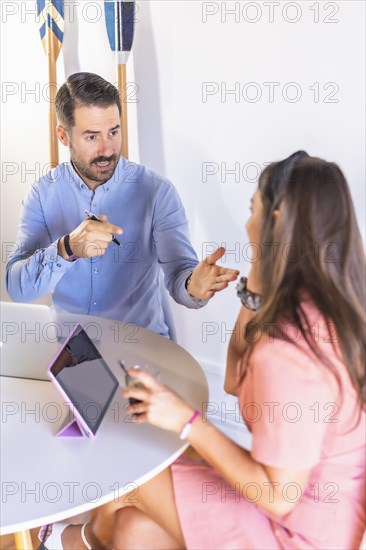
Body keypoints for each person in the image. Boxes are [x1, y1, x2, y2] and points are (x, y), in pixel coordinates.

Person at [39, 151, 366, 550]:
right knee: (129, 530)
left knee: (130, 478)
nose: (247, 222)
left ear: (276, 219)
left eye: (253, 209)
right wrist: (254, 290)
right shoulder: (323, 310)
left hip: (296, 533)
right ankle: (66, 541)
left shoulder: (290, 350)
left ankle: (61, 541)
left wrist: (187, 420)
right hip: (327, 524)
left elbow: (280, 498)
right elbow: (234, 381)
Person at [6, 72, 239, 338]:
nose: (107, 149)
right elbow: (18, 289)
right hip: (72, 357)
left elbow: (179, 275)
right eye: (91, 137)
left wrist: (193, 286)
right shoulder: (41, 195)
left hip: (143, 350)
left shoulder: (157, 192)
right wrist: (67, 248)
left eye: (113, 132)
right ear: (63, 135)